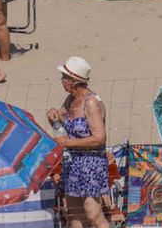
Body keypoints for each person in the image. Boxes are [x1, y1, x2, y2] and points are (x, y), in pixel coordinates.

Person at [47, 57, 110, 228]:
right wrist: (53, 115)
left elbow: (99, 139)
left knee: (93, 215)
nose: (62, 82)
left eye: (64, 78)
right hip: (73, 162)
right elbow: (59, 121)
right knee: (75, 215)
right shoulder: (70, 101)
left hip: (91, 164)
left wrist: (67, 143)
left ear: (73, 81)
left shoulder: (91, 103)